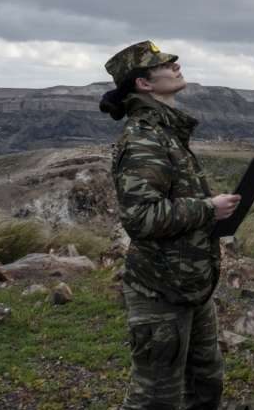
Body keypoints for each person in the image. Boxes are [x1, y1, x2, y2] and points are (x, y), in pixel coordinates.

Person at [100, 40, 241, 410]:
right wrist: (208, 209)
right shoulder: (144, 138)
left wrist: (211, 210)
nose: (176, 66)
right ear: (144, 83)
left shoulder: (167, 132)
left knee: (205, 383)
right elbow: (140, 218)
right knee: (156, 398)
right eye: (165, 65)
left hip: (191, 286)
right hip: (160, 290)